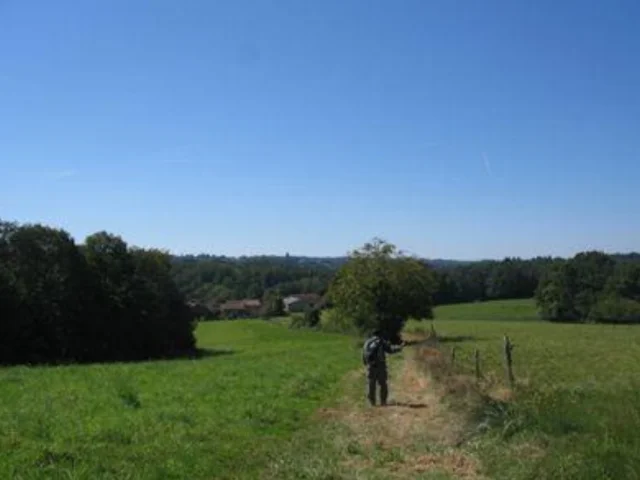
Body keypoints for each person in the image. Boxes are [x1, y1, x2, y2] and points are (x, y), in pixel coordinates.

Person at [362, 329, 404, 406]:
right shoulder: (381, 341)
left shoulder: (367, 342)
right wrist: (399, 348)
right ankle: (383, 401)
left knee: (371, 384)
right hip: (380, 365)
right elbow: (390, 350)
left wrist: (366, 364)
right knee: (383, 384)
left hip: (371, 366)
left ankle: (372, 402)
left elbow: (364, 353)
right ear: (380, 335)